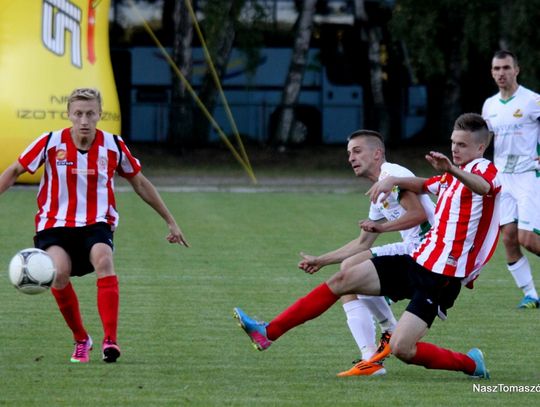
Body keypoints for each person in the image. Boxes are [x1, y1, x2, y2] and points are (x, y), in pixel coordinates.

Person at [234, 113, 499, 379]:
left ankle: (470, 363)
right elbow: (423, 184)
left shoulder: (483, 170)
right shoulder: (445, 178)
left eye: (462, 145)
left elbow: (483, 188)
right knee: (344, 278)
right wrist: (395, 182)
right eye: (453, 142)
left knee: (403, 349)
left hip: (442, 276)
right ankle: (269, 332)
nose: (454, 148)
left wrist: (445, 170)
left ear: (480, 147)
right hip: (418, 258)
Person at [0, 88, 189, 364]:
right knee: (59, 273)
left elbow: (140, 183)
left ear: (100, 114)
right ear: (69, 115)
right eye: (78, 114)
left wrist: (170, 220)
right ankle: (81, 339)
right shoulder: (50, 142)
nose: (84, 120)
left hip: (96, 224)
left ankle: (110, 341)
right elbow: (14, 170)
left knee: (104, 259)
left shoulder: (113, 145)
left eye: (90, 113)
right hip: (54, 225)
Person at [297, 129, 435, 377]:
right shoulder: (378, 191)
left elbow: (418, 214)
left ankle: (383, 337)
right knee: (349, 274)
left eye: (357, 151)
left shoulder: (393, 175)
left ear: (377, 153)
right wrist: (321, 260)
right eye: (349, 153)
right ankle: (369, 356)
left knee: (351, 272)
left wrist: (382, 226)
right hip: (415, 248)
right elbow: (363, 242)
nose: (351, 158)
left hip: (428, 249)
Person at [482, 50, 540, 309]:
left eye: (506, 68)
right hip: (502, 178)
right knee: (508, 238)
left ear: (516, 69)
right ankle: (530, 294)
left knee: (528, 239)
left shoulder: (532, 100)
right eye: (496, 69)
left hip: (529, 175)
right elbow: (484, 141)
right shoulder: (490, 105)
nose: (501, 73)